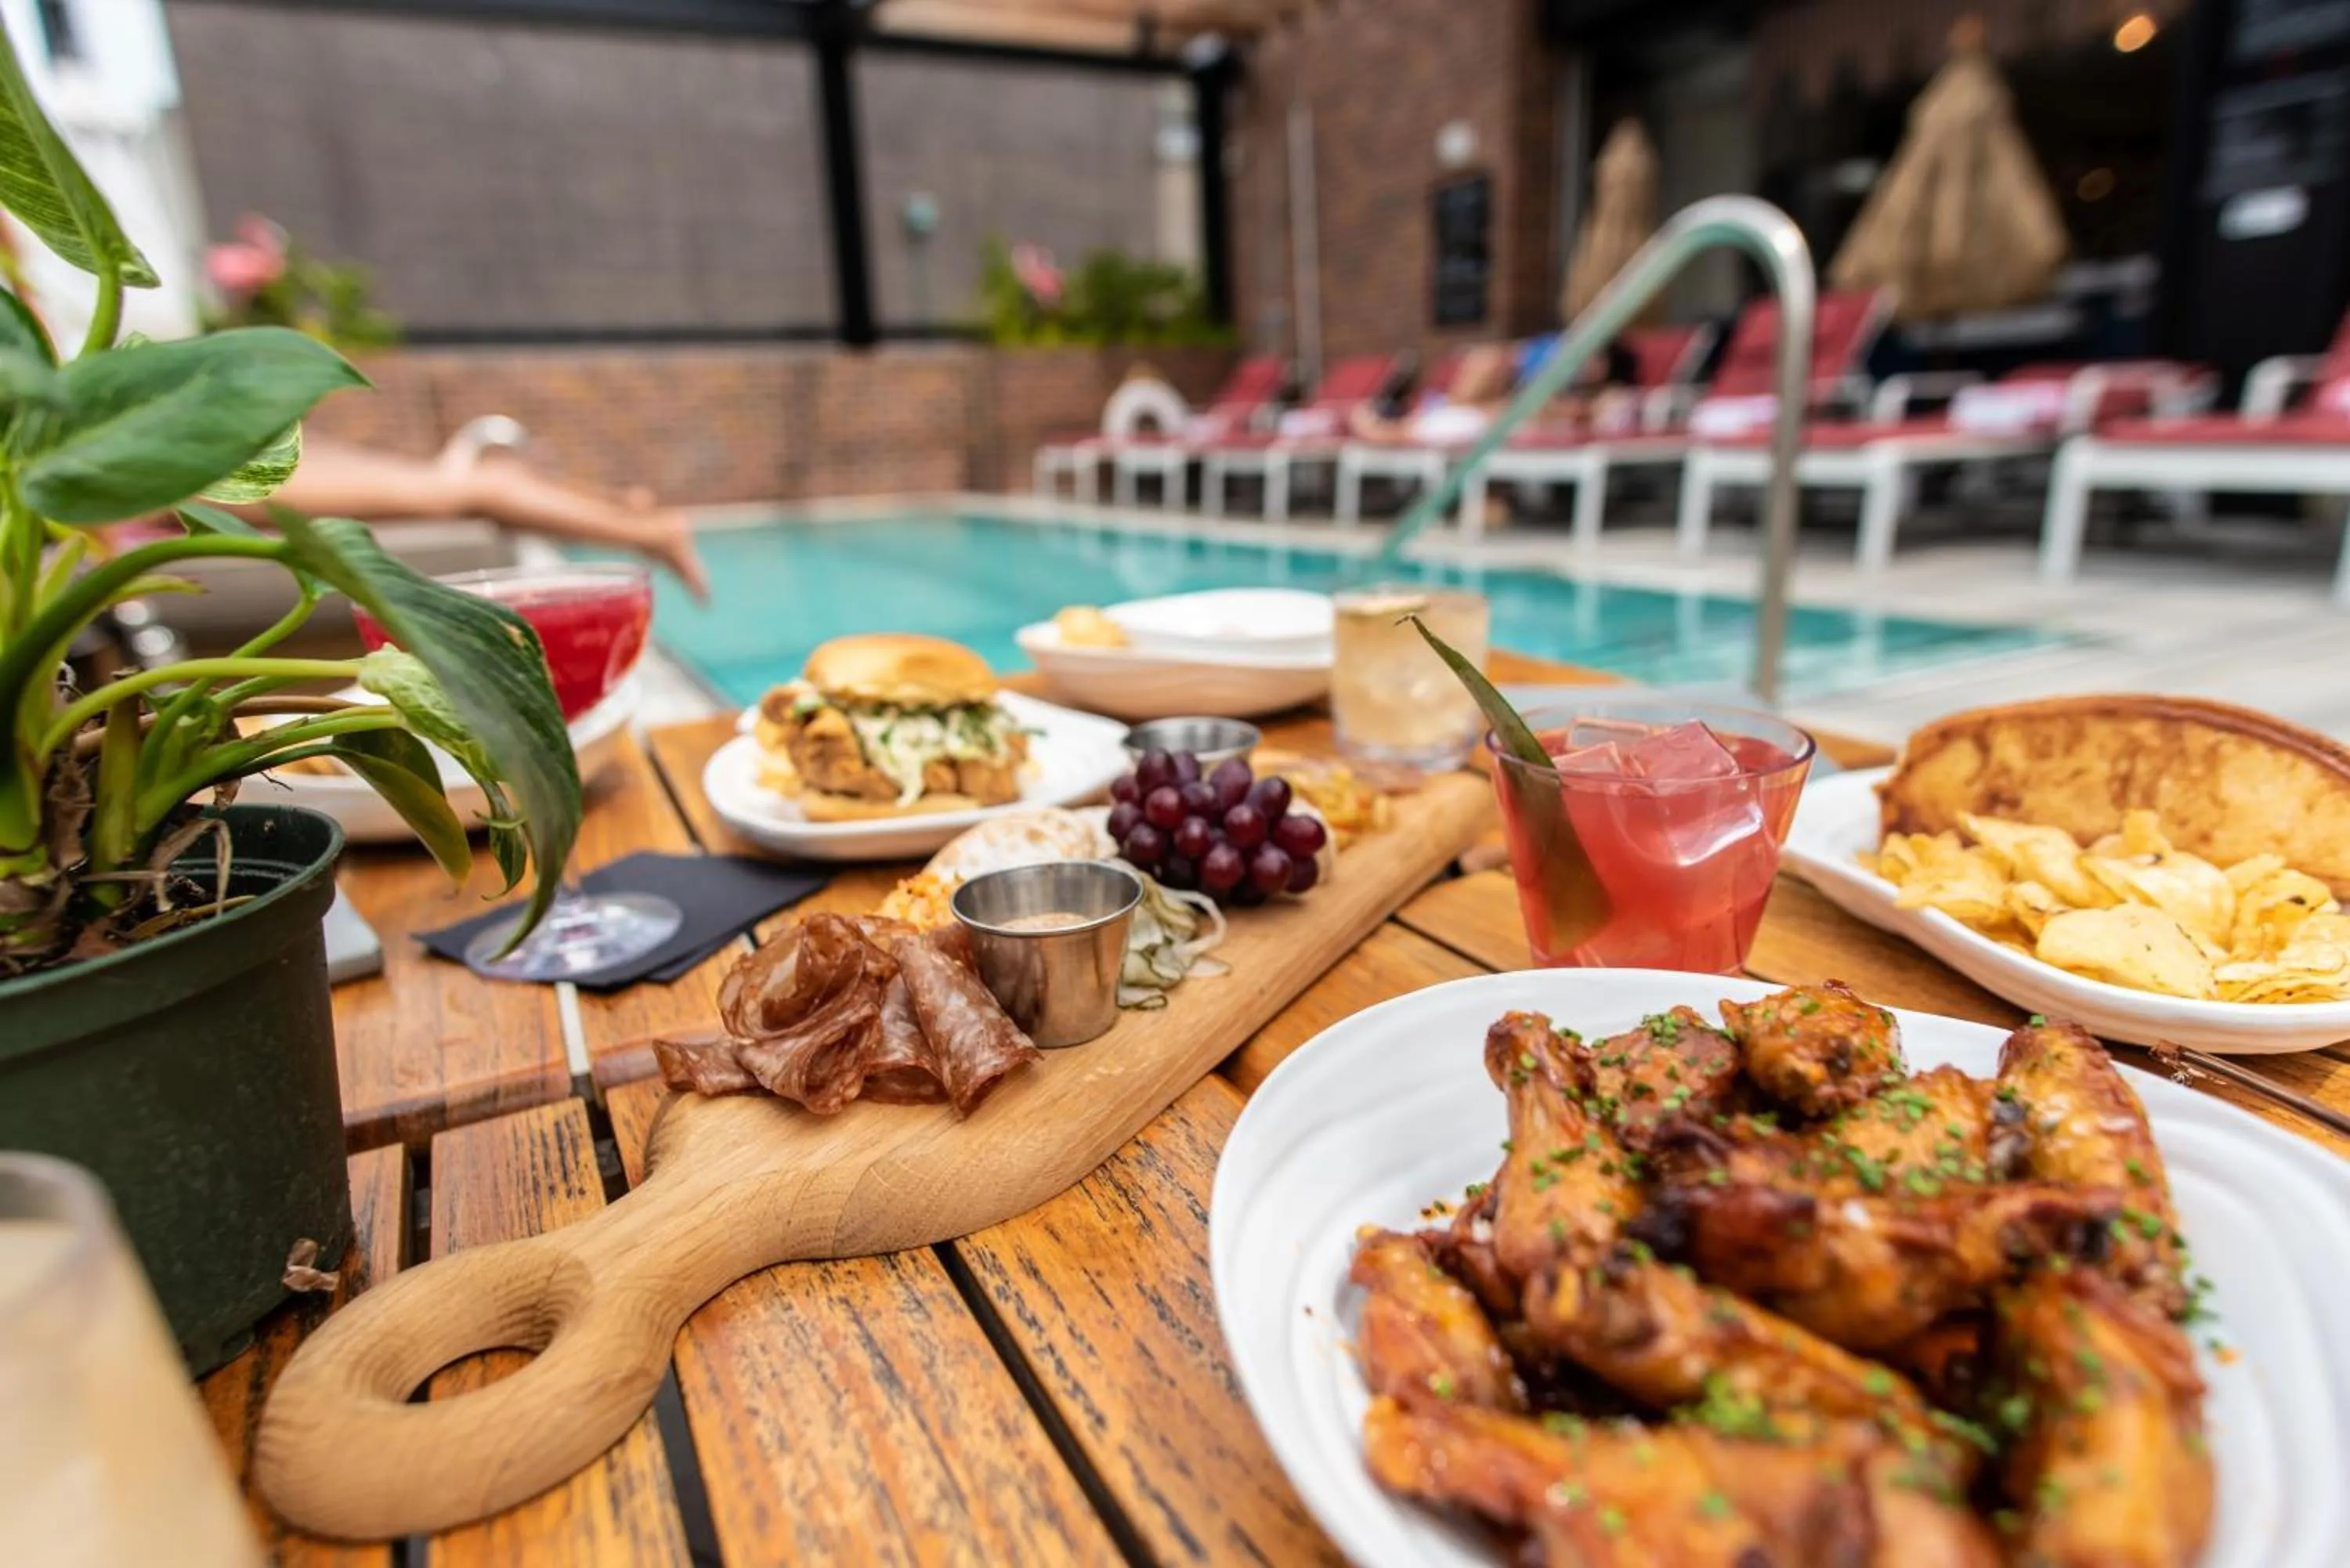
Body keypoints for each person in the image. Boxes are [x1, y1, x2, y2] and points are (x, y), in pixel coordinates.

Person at [233, 417, 710, 599]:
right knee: (468, 484)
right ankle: (637, 520)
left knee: (461, 482)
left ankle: (634, 516)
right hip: (201, 479)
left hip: (205, 473)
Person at [1346, 345, 1517, 448]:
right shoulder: (1494, 412)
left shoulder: (1463, 419)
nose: (1458, 378)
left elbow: (1391, 437)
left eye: (1467, 373)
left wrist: (1362, 421)